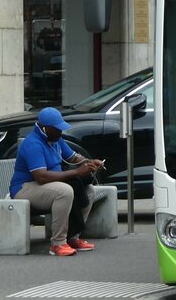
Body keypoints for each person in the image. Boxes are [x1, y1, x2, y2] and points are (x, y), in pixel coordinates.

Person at [9, 106, 105, 257]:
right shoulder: (33, 144)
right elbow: (41, 177)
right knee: (64, 191)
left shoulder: (56, 139)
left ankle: (72, 237)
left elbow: (73, 157)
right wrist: (76, 172)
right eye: (57, 129)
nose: (61, 132)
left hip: (47, 185)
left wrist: (89, 162)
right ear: (45, 128)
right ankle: (58, 243)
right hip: (24, 188)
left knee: (89, 190)